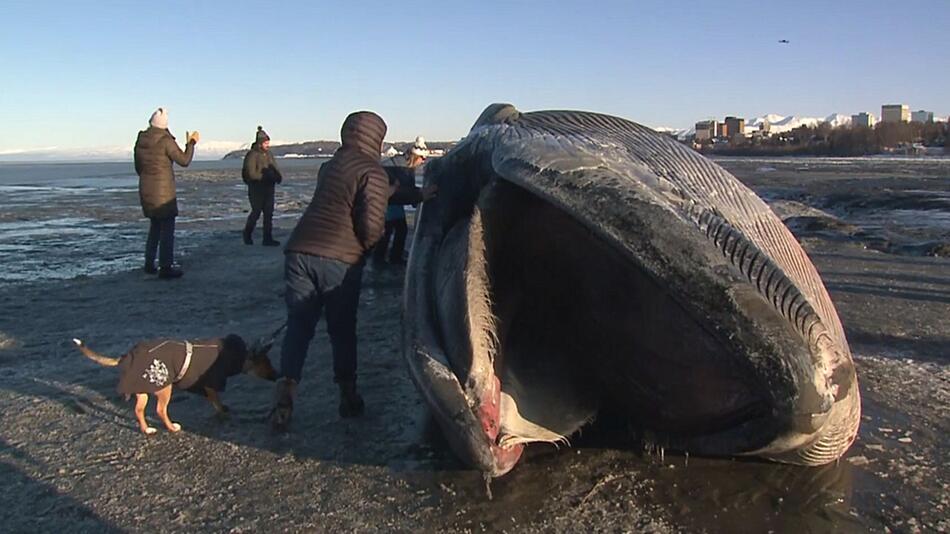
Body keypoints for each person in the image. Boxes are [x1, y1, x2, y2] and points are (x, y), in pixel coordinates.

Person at [270, 111, 389, 431]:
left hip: (298, 250)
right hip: (339, 260)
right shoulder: (373, 172)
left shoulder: (330, 166)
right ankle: (348, 396)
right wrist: (368, 247)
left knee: (299, 324)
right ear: (376, 138)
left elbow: (341, 199)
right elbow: (372, 224)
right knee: (341, 330)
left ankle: (286, 390)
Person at [134, 108, 198, 279]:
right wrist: (191, 144)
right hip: (163, 192)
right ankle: (165, 267)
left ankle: (149, 264)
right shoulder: (165, 141)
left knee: (155, 227)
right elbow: (184, 161)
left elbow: (138, 168)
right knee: (167, 230)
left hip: (146, 190)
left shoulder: (141, 141)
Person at [373, 136, 437, 266]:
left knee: (400, 229)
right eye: (422, 158)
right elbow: (403, 189)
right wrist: (419, 195)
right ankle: (381, 260)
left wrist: (418, 196)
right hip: (388, 202)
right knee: (388, 230)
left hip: (394, 202)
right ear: (415, 156)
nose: (423, 161)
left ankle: (391, 257)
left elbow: (408, 188)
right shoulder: (401, 168)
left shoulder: (405, 166)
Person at [242, 126, 283, 246]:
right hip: (256, 189)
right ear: (260, 143)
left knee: (269, 213)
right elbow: (250, 173)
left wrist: (278, 177)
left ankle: (267, 238)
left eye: (268, 142)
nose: (267, 145)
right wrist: (265, 177)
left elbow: (275, 168)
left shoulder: (269, 154)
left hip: (269, 188)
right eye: (265, 143)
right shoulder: (252, 155)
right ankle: (247, 234)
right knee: (256, 212)